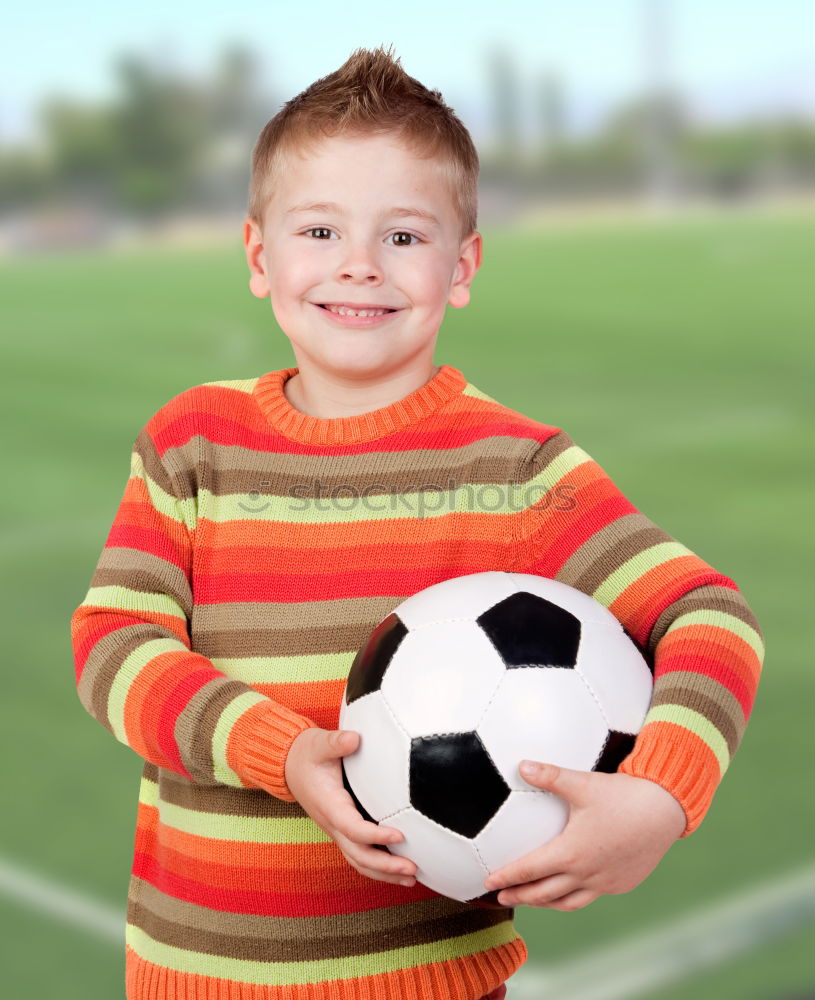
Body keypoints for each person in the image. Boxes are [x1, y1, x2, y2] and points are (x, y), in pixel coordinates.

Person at [70, 45, 764, 1000]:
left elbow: (708, 615)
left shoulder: (515, 470)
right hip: (193, 979)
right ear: (258, 256)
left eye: (403, 236)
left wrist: (658, 793)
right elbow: (112, 644)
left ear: (462, 264)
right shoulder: (193, 443)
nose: (358, 265)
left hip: (431, 984)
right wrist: (282, 753)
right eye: (319, 230)